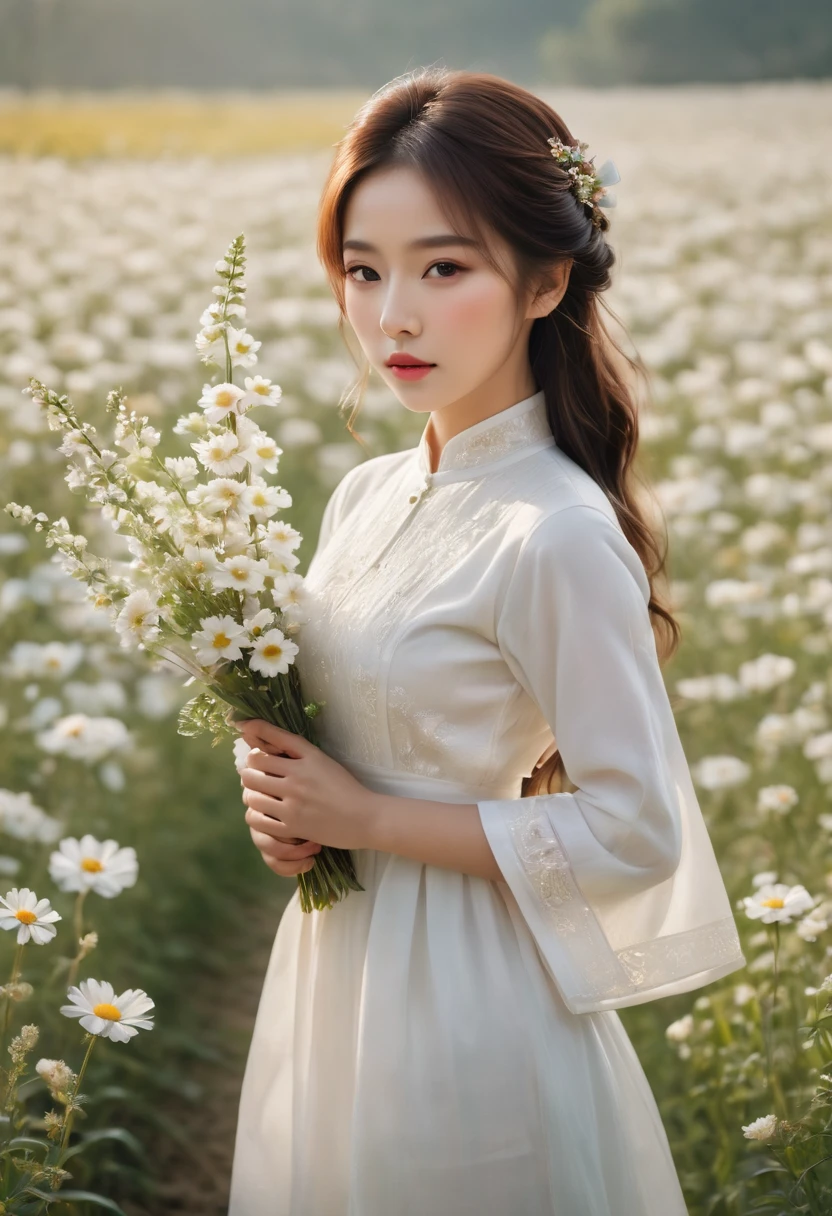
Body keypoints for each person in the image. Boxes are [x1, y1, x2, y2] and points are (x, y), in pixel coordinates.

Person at [227, 65, 746, 1216]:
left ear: (546, 280)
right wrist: (282, 794)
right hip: (337, 962)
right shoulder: (363, 492)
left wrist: (364, 818)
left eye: (443, 267)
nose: (392, 315)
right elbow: (354, 709)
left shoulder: (553, 529)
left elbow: (636, 826)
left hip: (467, 995)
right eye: (363, 271)